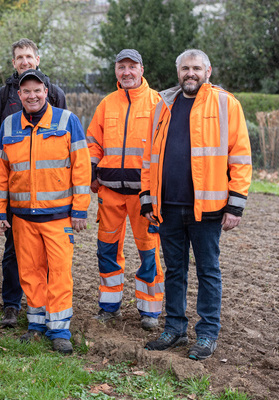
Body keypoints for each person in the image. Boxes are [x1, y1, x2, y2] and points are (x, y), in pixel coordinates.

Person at [141, 49, 252, 360]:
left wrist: (236, 204)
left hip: (209, 207)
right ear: (179, 72)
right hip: (168, 206)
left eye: (196, 68)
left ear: (208, 71)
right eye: (185, 68)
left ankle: (207, 333)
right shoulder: (164, 105)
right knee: (174, 271)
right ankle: (174, 328)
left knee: (208, 271)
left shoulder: (225, 103)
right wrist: (148, 199)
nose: (190, 73)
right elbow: (149, 157)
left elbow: (240, 156)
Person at [0, 69, 91, 354]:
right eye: (26, 91)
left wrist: (80, 210)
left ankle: (59, 330)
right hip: (22, 217)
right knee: (30, 273)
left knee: (59, 274)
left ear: (46, 92)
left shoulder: (67, 120)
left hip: (59, 217)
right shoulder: (9, 125)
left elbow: (82, 167)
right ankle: (36, 326)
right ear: (19, 95)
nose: (32, 96)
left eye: (37, 90)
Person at [0, 38, 67, 329]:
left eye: (29, 56)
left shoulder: (55, 93)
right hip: (14, 188)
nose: (24, 61)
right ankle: (11, 304)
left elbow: (65, 144)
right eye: (19, 57)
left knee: (47, 253)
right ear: (13, 63)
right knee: (13, 250)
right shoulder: (0, 96)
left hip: (48, 193)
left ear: (38, 59)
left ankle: (45, 306)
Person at [86, 49, 164, 330]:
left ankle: (149, 311)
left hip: (144, 195)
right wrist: (92, 173)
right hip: (110, 193)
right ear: (116, 71)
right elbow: (93, 142)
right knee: (106, 251)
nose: (127, 72)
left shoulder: (158, 103)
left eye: (132, 66)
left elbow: (164, 148)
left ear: (142, 69)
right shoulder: (107, 104)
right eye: (122, 67)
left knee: (148, 251)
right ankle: (109, 307)